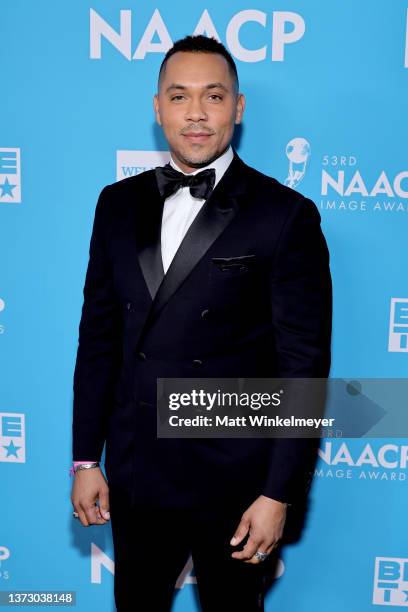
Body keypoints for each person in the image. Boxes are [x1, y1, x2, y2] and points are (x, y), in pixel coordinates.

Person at [70, 34, 332, 611]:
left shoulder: (284, 216)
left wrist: (277, 493)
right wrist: (87, 459)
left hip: (236, 483)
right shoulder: (116, 203)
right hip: (138, 473)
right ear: (157, 106)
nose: (195, 113)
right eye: (179, 96)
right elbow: (99, 340)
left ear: (237, 109)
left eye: (213, 97)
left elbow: (303, 369)